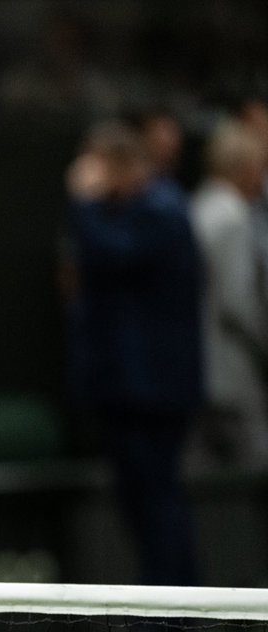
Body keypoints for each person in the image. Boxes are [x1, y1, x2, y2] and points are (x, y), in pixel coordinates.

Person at [61, 119, 204, 587]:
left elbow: (115, 255)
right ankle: (171, 607)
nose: (88, 175)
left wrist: (82, 203)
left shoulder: (161, 209)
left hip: (155, 387)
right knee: (139, 497)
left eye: (95, 165)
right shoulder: (126, 210)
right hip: (126, 386)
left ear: (118, 164)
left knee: (157, 495)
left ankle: (175, 611)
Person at [189, 120, 268, 468]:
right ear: (247, 166)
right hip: (230, 365)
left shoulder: (199, 205)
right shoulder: (233, 217)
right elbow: (237, 301)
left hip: (195, 361)